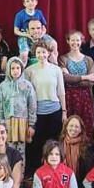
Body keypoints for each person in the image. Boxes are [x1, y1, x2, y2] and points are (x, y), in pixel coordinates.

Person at [24, 41, 66, 176]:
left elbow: (61, 92)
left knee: (53, 141)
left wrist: (64, 111)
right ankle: (36, 173)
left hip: (54, 110)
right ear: (34, 54)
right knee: (36, 143)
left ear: (48, 53)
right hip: (37, 111)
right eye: (38, 52)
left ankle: (53, 170)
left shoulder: (56, 69)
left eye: (44, 52)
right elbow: (27, 95)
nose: (41, 55)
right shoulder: (29, 71)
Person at [0, 58, 36, 159]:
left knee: (21, 151)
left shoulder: (27, 85)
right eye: (12, 68)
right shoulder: (3, 86)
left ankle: (20, 174)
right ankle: (10, 173)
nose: (15, 71)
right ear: (8, 70)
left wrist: (32, 124)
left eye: (18, 68)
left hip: (23, 122)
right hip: (8, 122)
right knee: (9, 150)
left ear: (22, 69)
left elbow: (32, 106)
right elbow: (0, 106)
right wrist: (0, 124)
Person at [59, 30, 94, 133]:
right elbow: (65, 79)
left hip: (86, 98)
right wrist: (85, 77)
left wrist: (72, 79)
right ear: (68, 41)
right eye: (72, 40)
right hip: (69, 98)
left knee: (86, 126)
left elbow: (91, 82)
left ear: (81, 41)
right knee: (70, 126)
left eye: (77, 40)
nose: (75, 43)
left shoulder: (89, 60)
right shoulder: (63, 59)